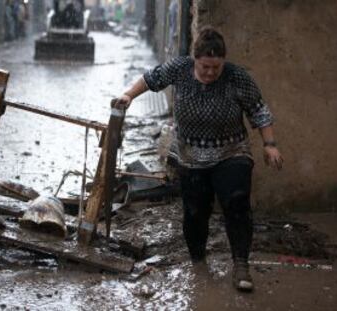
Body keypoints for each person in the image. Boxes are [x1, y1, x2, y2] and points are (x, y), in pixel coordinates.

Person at [112, 26, 283, 292]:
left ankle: (240, 265)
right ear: (195, 59)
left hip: (231, 151)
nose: (211, 73)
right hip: (190, 156)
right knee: (195, 214)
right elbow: (151, 78)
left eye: (216, 67)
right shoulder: (179, 69)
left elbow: (258, 110)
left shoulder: (237, 77)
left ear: (223, 61)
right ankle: (199, 263)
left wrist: (269, 144)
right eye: (205, 67)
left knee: (236, 204)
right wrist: (128, 95)